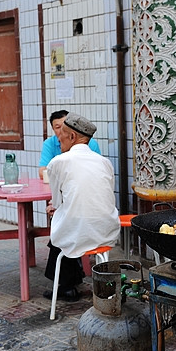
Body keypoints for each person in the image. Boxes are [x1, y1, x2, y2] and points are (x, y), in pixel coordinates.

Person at [43, 112, 120, 301]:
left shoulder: (58, 162)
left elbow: (57, 200)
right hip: (107, 232)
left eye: (61, 135)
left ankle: (65, 285)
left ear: (72, 137)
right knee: (72, 221)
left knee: (62, 228)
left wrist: (55, 208)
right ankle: (74, 281)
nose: (58, 139)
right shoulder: (105, 162)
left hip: (77, 234)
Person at [38, 110, 101, 179]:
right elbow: (42, 172)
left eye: (64, 126)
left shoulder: (90, 143)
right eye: (58, 127)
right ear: (53, 129)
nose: (61, 130)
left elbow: (97, 170)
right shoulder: (49, 144)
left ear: (72, 135)